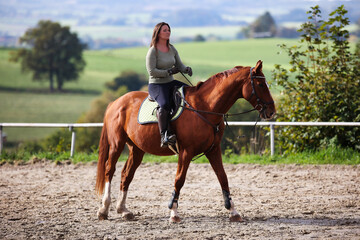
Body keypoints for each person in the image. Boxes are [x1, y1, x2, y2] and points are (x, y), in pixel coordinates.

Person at [146, 22, 193, 148]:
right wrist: (168, 72)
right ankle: (164, 136)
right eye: (165, 30)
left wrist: (186, 69)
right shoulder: (153, 51)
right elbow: (152, 71)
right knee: (165, 104)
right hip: (157, 85)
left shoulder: (172, 49)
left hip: (170, 82)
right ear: (158, 33)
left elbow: (179, 65)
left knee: (191, 92)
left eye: (169, 30)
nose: (168, 32)